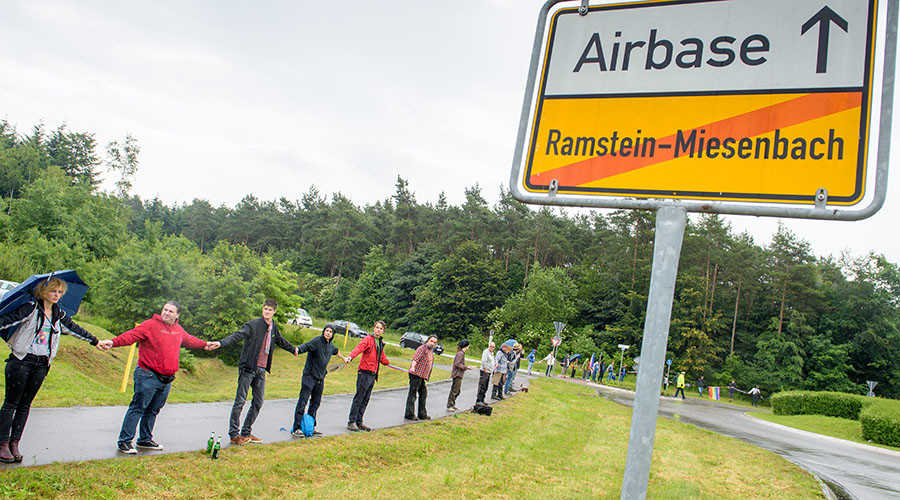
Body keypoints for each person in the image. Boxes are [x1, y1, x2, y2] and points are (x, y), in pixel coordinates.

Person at [0, 277, 100, 463]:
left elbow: (74, 329)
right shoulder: (30, 308)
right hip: (21, 360)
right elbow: (7, 320)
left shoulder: (58, 314)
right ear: (43, 291)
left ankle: (15, 443)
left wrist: (96, 341)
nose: (56, 295)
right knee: (11, 403)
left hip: (42, 363)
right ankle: (2, 444)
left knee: (25, 404)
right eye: (53, 291)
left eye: (59, 292)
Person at [98, 301, 214, 454]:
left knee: (153, 410)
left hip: (166, 379)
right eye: (165, 310)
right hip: (147, 375)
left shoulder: (177, 330)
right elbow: (131, 336)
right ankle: (125, 441)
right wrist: (113, 342)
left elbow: (189, 339)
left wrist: (205, 345)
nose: (166, 313)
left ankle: (145, 439)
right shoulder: (150, 325)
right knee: (138, 407)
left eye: (170, 311)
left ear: (177, 315)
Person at [207, 299, 297, 446]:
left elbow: (281, 341)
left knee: (258, 401)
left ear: (274, 311)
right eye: (265, 309)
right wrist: (220, 343)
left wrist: (294, 349)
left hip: (261, 370)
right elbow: (237, 336)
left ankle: (246, 432)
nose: (266, 312)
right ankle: (234, 434)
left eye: (269, 310)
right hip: (248, 368)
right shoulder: (253, 325)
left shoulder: (273, 328)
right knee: (240, 401)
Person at [291, 323, 350, 436]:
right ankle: (296, 428)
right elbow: (306, 346)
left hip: (320, 378)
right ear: (323, 331)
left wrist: (344, 358)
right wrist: (297, 350)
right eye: (326, 330)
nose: (328, 333)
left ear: (333, 334)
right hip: (309, 376)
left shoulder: (330, 345)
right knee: (303, 402)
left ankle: (311, 426)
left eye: (330, 331)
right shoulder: (317, 341)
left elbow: (335, 351)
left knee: (315, 403)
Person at [345, 320, 390, 431]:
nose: (378, 330)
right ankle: (351, 422)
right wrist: (351, 357)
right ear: (373, 329)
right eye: (377, 328)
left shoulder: (379, 343)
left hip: (372, 375)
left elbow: (382, 357)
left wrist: (387, 362)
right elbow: (359, 348)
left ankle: (359, 421)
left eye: (381, 329)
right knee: (359, 398)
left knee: (365, 399)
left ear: (383, 331)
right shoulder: (368, 340)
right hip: (364, 373)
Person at [405, 334, 438, 421]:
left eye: (434, 342)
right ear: (427, 341)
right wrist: (412, 367)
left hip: (422, 376)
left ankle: (422, 414)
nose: (432, 343)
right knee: (413, 394)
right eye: (431, 341)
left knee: (423, 393)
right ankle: (409, 414)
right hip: (416, 374)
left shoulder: (430, 351)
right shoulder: (422, 348)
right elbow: (415, 359)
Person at [446, 339, 472, 411]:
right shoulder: (460, 353)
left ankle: (452, 404)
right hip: (457, 374)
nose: (468, 347)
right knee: (455, 390)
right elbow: (457, 364)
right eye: (468, 346)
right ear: (466, 346)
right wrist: (466, 367)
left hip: (459, 374)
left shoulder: (461, 353)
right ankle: (450, 405)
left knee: (457, 390)